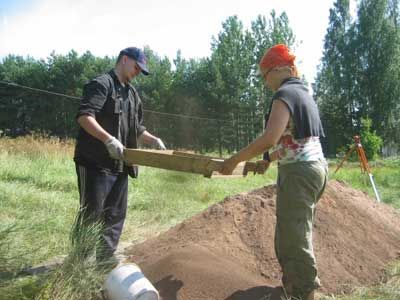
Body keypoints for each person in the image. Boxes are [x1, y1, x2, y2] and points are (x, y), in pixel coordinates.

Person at [221, 44, 327, 300]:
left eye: (265, 74)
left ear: (279, 69)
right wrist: (267, 160)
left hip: (299, 174)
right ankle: (293, 290)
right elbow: (291, 140)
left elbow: (270, 137)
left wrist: (235, 159)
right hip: (314, 167)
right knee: (290, 233)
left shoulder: (284, 94)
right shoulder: (303, 92)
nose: (264, 81)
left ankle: (304, 294)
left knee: (294, 239)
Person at [74, 47, 166, 263]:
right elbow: (85, 116)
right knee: (91, 214)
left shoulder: (132, 94)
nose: (137, 73)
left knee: (115, 216)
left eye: (140, 70)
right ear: (124, 60)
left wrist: (152, 140)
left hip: (121, 165)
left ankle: (104, 261)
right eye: (136, 67)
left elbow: (138, 129)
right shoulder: (101, 84)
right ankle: (79, 263)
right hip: (95, 162)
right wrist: (108, 139)